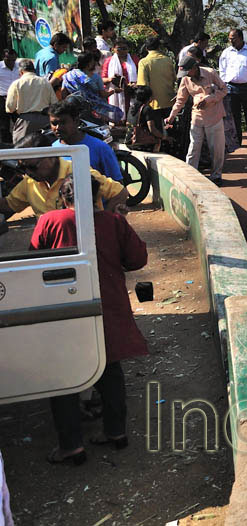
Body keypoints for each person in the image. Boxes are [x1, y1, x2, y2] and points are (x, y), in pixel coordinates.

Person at [35, 176, 148, 465]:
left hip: (64, 307)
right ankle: (115, 432)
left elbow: (35, 261)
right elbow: (137, 259)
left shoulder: (51, 221)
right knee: (109, 368)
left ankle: (71, 445)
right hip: (107, 304)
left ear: (64, 199)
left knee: (63, 377)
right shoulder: (112, 222)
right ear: (97, 197)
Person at [2, 147, 128, 217]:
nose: (28, 172)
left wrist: (105, 222)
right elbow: (9, 205)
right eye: (23, 168)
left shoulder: (80, 171)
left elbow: (120, 192)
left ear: (50, 157)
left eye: (32, 167)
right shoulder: (29, 182)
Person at [165, 56, 229, 181]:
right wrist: (171, 116)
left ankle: (216, 175)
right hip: (197, 117)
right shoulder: (185, 79)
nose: (187, 75)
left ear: (195, 68)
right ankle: (190, 175)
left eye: (188, 71)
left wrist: (209, 99)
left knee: (216, 149)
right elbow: (180, 100)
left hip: (214, 116)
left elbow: (224, 90)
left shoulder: (210, 73)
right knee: (193, 147)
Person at [49, 99, 123, 181]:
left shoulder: (101, 148)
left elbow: (117, 185)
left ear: (76, 121)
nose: (58, 128)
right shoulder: (51, 151)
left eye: (63, 122)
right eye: (54, 123)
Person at [219, 29, 247, 149]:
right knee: (234, 117)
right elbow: (222, 70)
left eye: (233, 38)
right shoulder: (226, 52)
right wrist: (224, 85)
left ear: (240, 38)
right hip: (231, 88)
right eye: (230, 38)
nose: (231, 40)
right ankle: (236, 142)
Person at [62, 51, 123, 123]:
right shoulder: (96, 77)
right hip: (93, 112)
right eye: (93, 61)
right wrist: (114, 91)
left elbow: (63, 92)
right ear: (89, 64)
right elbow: (103, 95)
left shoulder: (70, 75)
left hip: (74, 109)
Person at [6, 59, 55, 144]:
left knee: (22, 149)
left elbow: (10, 107)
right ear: (34, 70)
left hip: (25, 121)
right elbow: (54, 103)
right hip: (44, 120)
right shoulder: (45, 82)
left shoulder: (17, 83)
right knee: (45, 148)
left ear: (21, 72)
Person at [136, 35, 176, 112]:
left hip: (153, 104)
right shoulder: (168, 60)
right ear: (159, 47)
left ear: (146, 48)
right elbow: (174, 79)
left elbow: (143, 85)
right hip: (169, 101)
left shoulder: (144, 62)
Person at [103, 38, 138, 117]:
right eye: (119, 48)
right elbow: (103, 79)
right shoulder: (108, 61)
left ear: (128, 49)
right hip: (115, 94)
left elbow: (141, 76)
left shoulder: (134, 59)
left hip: (131, 94)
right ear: (113, 49)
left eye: (124, 48)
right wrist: (111, 79)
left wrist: (136, 84)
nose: (122, 51)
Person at [0, 48, 19, 143]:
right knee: (4, 125)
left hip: (17, 99)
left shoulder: (19, 67)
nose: (11, 62)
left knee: (19, 122)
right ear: (4, 58)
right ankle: (6, 145)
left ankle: (19, 142)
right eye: (8, 60)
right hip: (2, 99)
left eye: (13, 60)